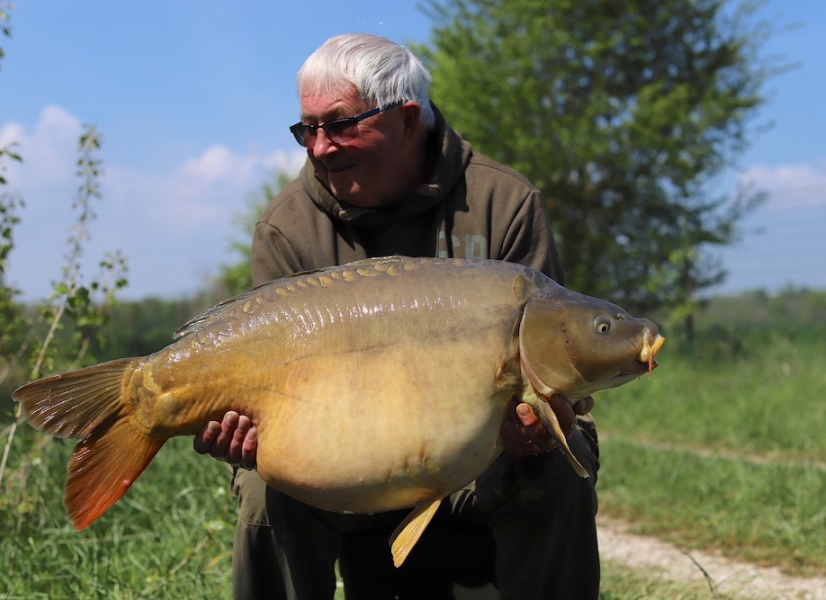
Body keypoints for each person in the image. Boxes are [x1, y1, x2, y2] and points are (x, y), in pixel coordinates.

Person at [193, 33, 600, 599]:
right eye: (307, 129)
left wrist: (535, 421)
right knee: (265, 489)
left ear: (409, 120)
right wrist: (239, 429)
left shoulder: (503, 203)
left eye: (340, 125)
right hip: (340, 461)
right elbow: (266, 384)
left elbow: (547, 371)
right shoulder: (288, 228)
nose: (319, 148)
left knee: (562, 455)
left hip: (478, 458)